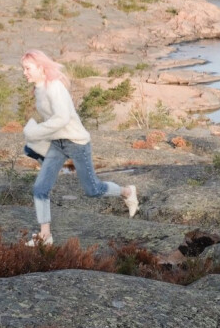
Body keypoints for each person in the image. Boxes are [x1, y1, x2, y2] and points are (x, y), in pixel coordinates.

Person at [20, 49, 138, 246]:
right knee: (40, 188)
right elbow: (52, 121)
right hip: (57, 144)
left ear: (41, 67)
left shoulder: (54, 87)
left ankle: (127, 192)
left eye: (27, 68)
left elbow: (62, 118)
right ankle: (45, 236)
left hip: (76, 142)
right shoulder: (39, 89)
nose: (24, 72)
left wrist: (35, 132)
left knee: (93, 189)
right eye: (23, 68)